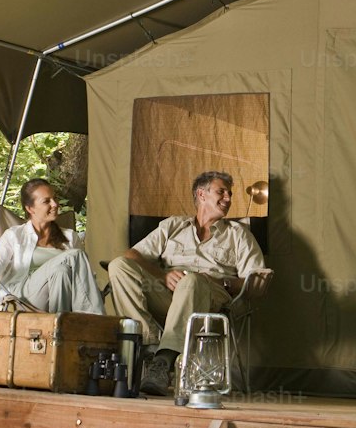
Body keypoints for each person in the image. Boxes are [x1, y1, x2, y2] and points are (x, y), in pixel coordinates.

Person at [107, 170, 272, 397]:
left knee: (192, 280)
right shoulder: (173, 226)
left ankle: (163, 362)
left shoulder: (238, 235)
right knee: (118, 265)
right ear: (201, 194)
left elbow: (254, 285)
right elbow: (132, 254)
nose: (228, 198)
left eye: (230, 194)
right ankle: (150, 344)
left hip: (210, 300)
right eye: (221, 192)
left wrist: (219, 280)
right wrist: (161, 276)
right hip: (168, 295)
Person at [0, 178, 105, 315]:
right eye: (47, 201)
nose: (55, 204)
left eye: (55, 198)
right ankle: (96, 320)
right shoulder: (14, 235)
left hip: (60, 297)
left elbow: (81, 278)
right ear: (30, 208)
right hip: (22, 298)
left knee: (61, 270)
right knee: (76, 255)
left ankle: (59, 326)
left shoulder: (70, 237)